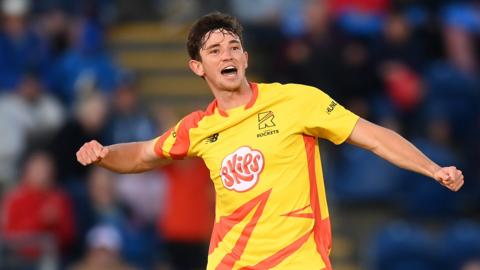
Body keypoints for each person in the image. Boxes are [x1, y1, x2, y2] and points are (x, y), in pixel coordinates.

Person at [76, 12, 464, 270]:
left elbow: (374, 137)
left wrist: (432, 168)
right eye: (214, 50)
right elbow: (144, 154)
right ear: (198, 67)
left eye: (232, 47)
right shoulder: (197, 127)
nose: (226, 54)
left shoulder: (296, 100)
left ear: (245, 57)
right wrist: (105, 154)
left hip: (299, 261)